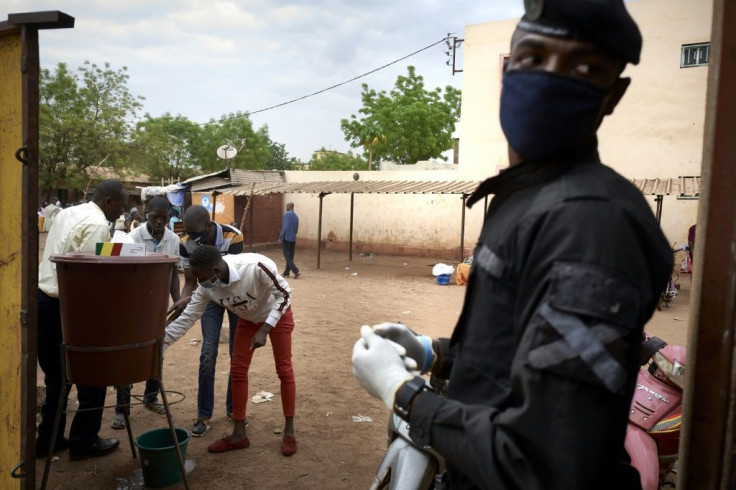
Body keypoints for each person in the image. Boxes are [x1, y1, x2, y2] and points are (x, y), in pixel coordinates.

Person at [352, 1, 673, 488]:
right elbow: (521, 353)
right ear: (508, 70)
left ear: (614, 94)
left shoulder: (590, 223)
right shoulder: (531, 195)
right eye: (533, 57)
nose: (550, 78)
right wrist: (434, 352)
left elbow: (541, 463)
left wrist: (404, 395)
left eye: (584, 67)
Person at [164, 245, 298, 455]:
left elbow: (285, 295)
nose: (198, 282)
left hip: (277, 316)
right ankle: (238, 434)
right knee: (237, 371)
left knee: (284, 369)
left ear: (215, 271)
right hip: (248, 320)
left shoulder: (255, 267)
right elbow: (187, 318)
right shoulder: (207, 288)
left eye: (200, 277)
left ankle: (289, 431)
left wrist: (264, 329)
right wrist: (160, 346)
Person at [36, 179, 128, 460]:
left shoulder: (67, 213)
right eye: (121, 207)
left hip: (44, 301)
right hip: (72, 307)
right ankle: (83, 442)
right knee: (92, 375)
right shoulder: (98, 224)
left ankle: (49, 440)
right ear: (108, 201)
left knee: (56, 379)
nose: (122, 214)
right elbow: (88, 274)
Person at [167, 205, 243, 436]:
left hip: (234, 296)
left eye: (197, 233)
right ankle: (204, 415)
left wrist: (195, 296)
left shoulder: (233, 236)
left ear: (210, 226)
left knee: (236, 356)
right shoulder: (185, 242)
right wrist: (183, 303)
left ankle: (235, 410)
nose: (193, 239)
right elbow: (191, 281)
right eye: (189, 233)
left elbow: (231, 277)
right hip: (208, 296)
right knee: (208, 353)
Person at [111, 197, 181, 429]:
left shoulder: (173, 240)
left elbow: (172, 273)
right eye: (155, 217)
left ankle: (151, 397)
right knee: (128, 355)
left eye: (164, 217)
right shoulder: (132, 238)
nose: (160, 222)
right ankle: (122, 409)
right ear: (145, 214)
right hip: (132, 308)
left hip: (157, 307)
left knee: (155, 351)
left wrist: (178, 301)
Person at [279, 202, 300, 278]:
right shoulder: (296, 216)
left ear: (289, 207)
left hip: (287, 238)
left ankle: (296, 271)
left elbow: (285, 227)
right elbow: (296, 229)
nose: (286, 207)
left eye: (287, 206)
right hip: (293, 238)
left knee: (287, 256)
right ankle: (286, 273)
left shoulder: (286, 215)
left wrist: (281, 237)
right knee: (290, 256)